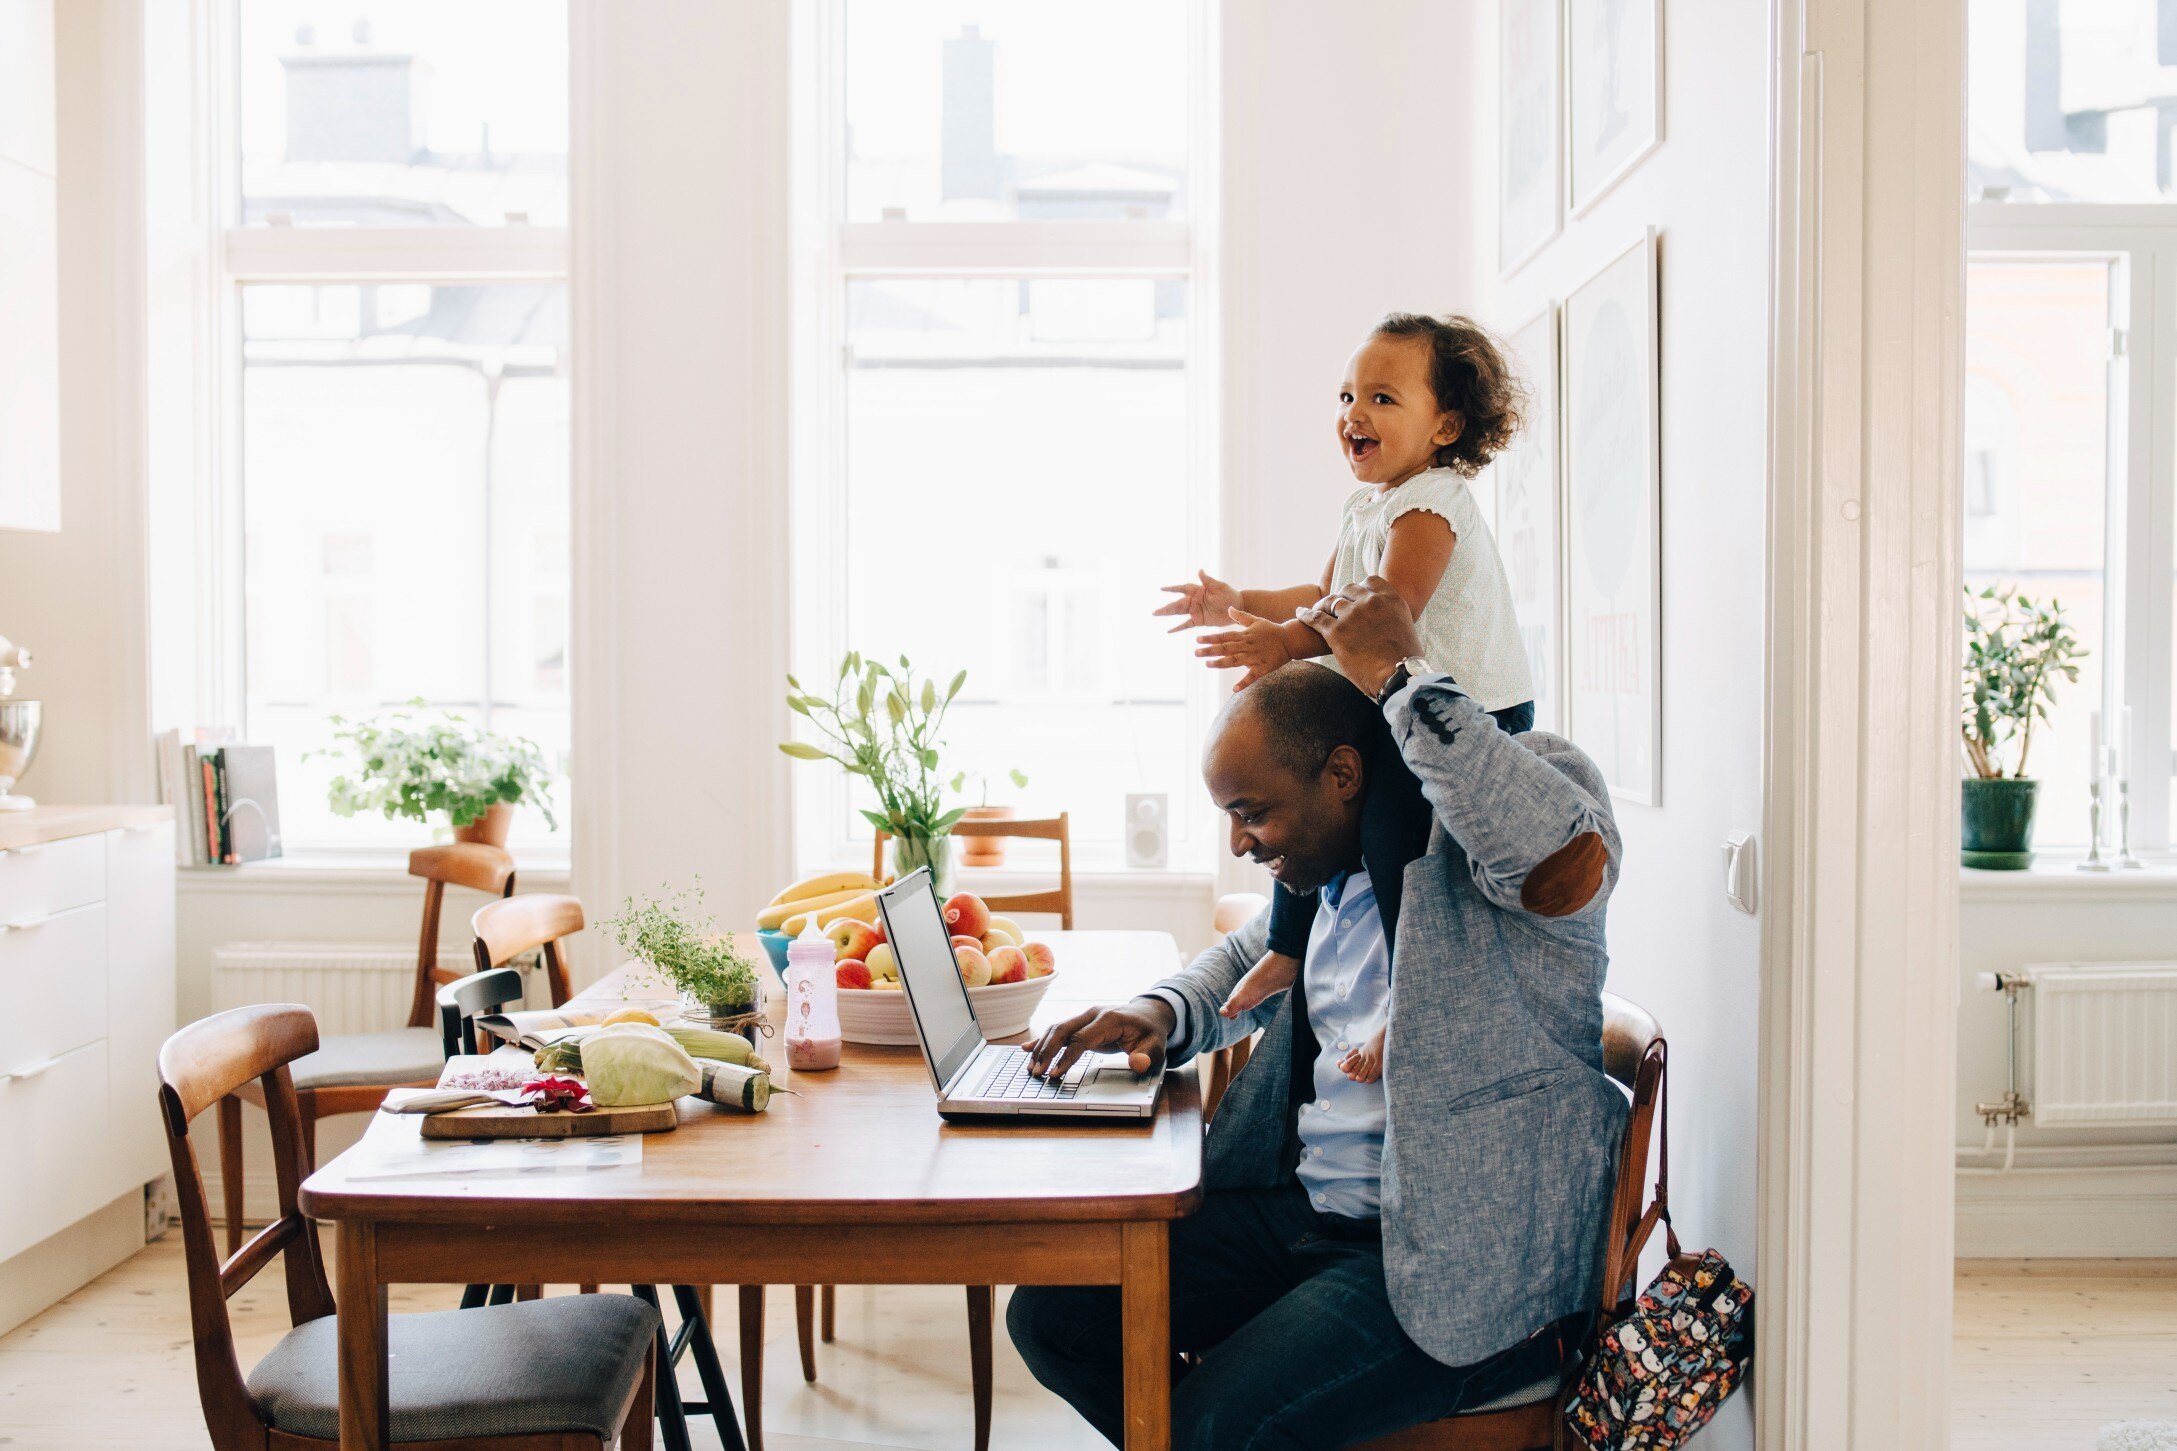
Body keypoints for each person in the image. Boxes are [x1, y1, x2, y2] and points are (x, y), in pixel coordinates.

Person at [1010, 577, 1626, 1450]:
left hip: (1450, 1273)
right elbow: (1240, 958)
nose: (1238, 842)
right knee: (1053, 1314)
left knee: (1213, 1424)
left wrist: (1398, 674)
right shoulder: (1334, 870)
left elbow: (1558, 860)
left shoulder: (1521, 802)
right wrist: (1156, 1010)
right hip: (1302, 1219)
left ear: (1343, 774)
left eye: (1251, 812)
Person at [1155, 312, 1538, 1083]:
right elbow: (1325, 594)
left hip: (1465, 713)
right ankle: (1285, 950)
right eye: (1345, 395)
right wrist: (1243, 601)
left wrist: (1287, 643)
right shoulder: (1365, 505)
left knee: (1391, 829)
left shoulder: (1433, 503)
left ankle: (1409, 999)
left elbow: (1382, 615)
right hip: (1392, 700)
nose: (1352, 414)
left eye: (1382, 398)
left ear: (1446, 425)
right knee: (1314, 813)